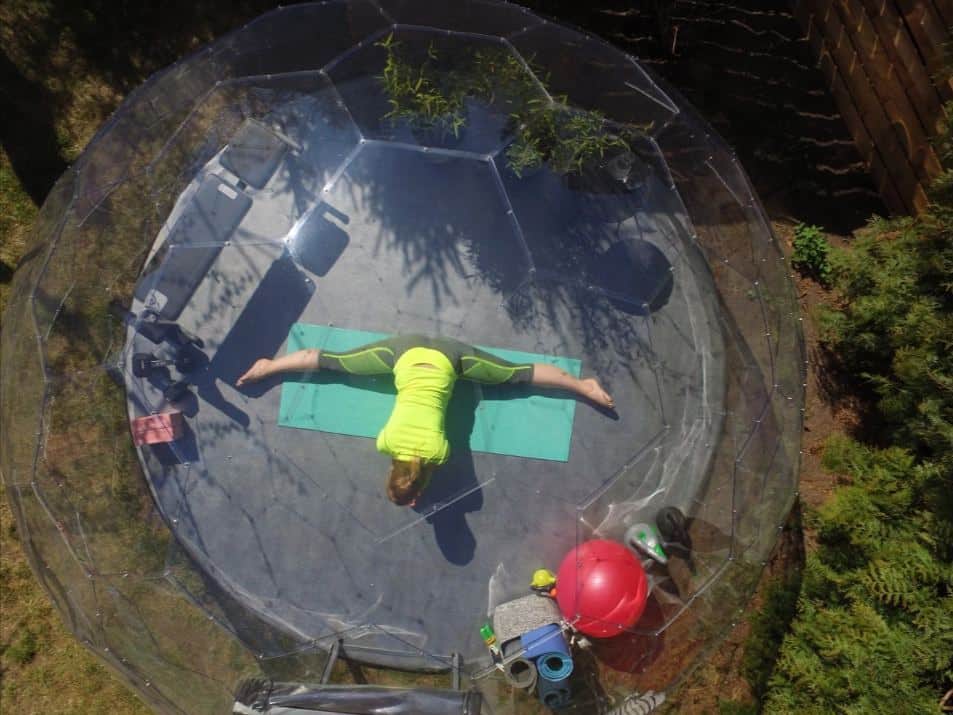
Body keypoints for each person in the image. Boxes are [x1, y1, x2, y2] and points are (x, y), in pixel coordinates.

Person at [237, 335, 614, 507]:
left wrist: (416, 489)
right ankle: (272, 365)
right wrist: (408, 482)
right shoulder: (385, 443)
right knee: (331, 361)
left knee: (518, 374)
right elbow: (403, 456)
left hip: (453, 359)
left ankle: (583, 387)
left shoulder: (438, 454)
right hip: (404, 350)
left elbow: (424, 464)